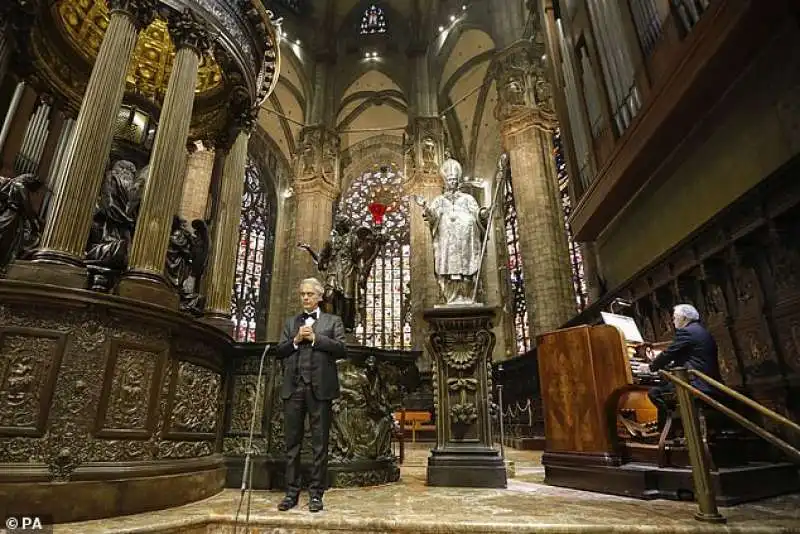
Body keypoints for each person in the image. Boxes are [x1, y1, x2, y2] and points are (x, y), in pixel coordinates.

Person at [275, 277, 347, 513]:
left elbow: (341, 349)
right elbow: (279, 352)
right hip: (293, 389)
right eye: (302, 294)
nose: (305, 297)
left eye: (309, 294)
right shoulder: (290, 323)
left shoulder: (332, 321)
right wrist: (295, 341)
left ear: (319, 296)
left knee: (319, 444)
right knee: (292, 444)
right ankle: (291, 493)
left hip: (320, 390)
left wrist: (316, 339)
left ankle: (316, 494)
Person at [413, 155, 489, 305]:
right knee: (448, 269)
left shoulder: (467, 199)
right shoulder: (439, 200)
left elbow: (477, 213)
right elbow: (432, 217)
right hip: (447, 244)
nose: (452, 182)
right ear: (446, 182)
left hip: (465, 243)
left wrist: (483, 213)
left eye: (454, 180)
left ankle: (467, 295)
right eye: (450, 180)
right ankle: (451, 296)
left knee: (466, 270)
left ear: (458, 182)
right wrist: (425, 206)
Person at [647, 304, 722, 430]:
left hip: (696, 383)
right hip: (709, 381)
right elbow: (690, 357)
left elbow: (668, 353)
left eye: (675, 317)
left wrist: (651, 367)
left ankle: (669, 430)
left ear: (684, 318)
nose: (673, 321)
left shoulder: (686, 332)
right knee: (663, 387)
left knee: (654, 393)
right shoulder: (702, 331)